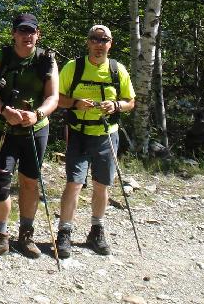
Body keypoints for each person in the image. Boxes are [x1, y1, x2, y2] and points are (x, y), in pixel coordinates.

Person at [0, 13, 59, 258]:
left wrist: (38, 115)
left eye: (31, 31)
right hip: (5, 129)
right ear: (14, 34)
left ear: (38, 34)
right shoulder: (0, 58)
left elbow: (53, 97)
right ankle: (1, 237)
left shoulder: (47, 61)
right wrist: (4, 110)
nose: (27, 36)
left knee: (30, 182)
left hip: (35, 130)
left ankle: (26, 235)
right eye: (22, 31)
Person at [55, 24, 136, 258]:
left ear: (110, 44)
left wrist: (116, 105)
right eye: (95, 39)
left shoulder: (117, 70)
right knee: (74, 184)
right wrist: (76, 103)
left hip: (106, 134)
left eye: (104, 40)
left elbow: (130, 101)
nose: (99, 44)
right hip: (78, 133)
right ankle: (64, 232)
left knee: (102, 185)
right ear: (88, 42)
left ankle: (96, 230)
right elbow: (57, 98)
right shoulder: (74, 67)